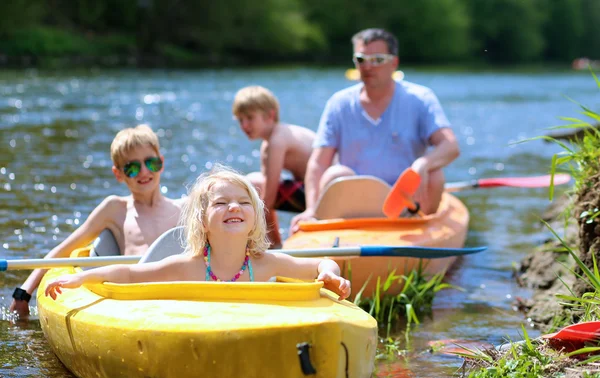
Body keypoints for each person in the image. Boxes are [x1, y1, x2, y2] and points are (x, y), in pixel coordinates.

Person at [44, 165, 351, 300]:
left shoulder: (263, 263)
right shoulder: (189, 266)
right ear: (203, 222)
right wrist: (82, 277)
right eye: (221, 203)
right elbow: (129, 274)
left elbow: (321, 263)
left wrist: (330, 274)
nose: (234, 207)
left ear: (255, 219)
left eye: (244, 202)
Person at [291, 28, 460, 232]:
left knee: (435, 174)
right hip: (354, 205)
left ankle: (420, 230)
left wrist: (423, 164)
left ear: (394, 63)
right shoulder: (339, 103)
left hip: (406, 203)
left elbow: (450, 146)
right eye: (361, 59)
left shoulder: (421, 98)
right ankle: (330, 232)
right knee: (335, 174)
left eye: (378, 59)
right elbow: (318, 163)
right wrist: (310, 209)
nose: (368, 66)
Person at [10, 125, 183, 317]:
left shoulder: (184, 208)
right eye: (132, 168)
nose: (143, 171)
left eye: (151, 163)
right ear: (118, 174)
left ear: (162, 162)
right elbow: (64, 250)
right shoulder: (115, 209)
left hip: (177, 292)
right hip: (136, 296)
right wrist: (24, 292)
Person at [232, 86, 316, 248]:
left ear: (270, 115)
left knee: (254, 185)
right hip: (316, 192)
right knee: (256, 185)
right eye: (240, 120)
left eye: (250, 118)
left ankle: (274, 247)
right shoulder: (272, 141)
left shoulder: (277, 140)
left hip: (322, 196)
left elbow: (268, 198)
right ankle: (274, 244)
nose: (244, 125)